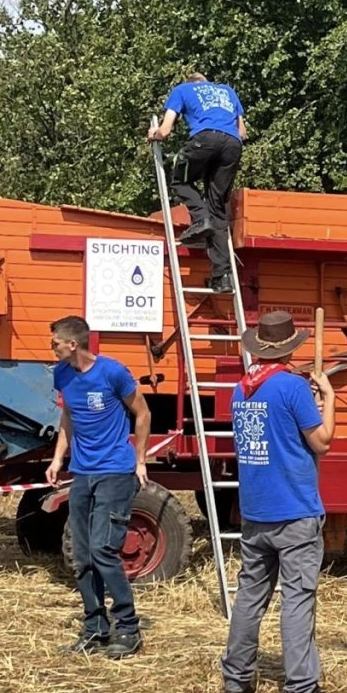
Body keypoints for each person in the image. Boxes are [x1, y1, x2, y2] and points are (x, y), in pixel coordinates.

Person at [220, 310, 347, 693]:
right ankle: (302, 690)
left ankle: (236, 679)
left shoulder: (240, 390)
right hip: (294, 508)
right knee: (298, 601)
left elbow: (274, 431)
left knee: (250, 596)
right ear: (287, 349)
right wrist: (327, 400)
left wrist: (306, 405)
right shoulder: (292, 388)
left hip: (256, 509)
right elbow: (322, 442)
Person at [46, 315, 151, 659]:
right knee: (82, 554)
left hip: (115, 471)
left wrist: (139, 460)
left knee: (105, 550)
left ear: (72, 344)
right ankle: (94, 628)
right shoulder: (62, 374)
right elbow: (68, 417)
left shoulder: (112, 372)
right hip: (83, 472)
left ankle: (128, 627)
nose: (52, 348)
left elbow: (143, 412)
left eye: (55, 343)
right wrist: (58, 458)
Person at [147, 72, 246, 294]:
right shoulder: (227, 91)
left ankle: (201, 220)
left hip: (205, 139)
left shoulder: (182, 90)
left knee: (180, 181)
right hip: (232, 145)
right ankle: (222, 277)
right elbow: (242, 132)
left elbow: (165, 130)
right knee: (217, 206)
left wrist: (154, 133)